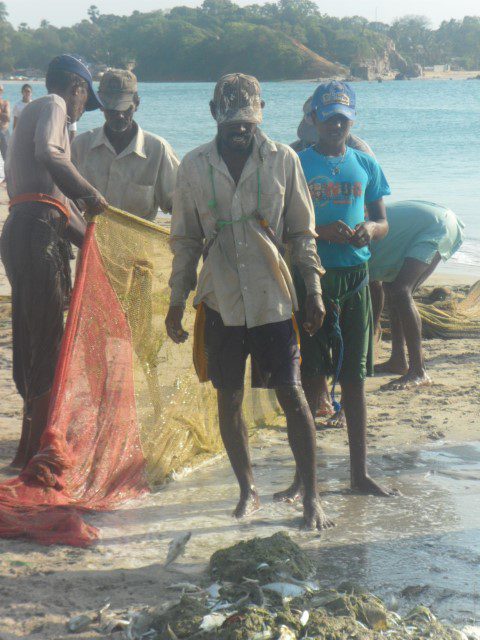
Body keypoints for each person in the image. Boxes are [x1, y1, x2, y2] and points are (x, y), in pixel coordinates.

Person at [166, 73, 332, 530]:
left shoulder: (283, 160)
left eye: (248, 121)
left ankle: (312, 497)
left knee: (292, 395)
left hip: (273, 298)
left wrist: (313, 289)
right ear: (213, 114)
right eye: (231, 122)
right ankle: (248, 490)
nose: (240, 130)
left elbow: (302, 233)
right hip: (220, 299)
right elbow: (184, 240)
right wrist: (176, 301)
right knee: (228, 396)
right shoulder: (194, 167)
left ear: (261, 113)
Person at [282, 81, 396, 499]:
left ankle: (359, 473)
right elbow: (278, 224)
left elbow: (382, 221)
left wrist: (370, 230)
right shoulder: (294, 162)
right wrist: (319, 230)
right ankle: (303, 476)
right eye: (328, 117)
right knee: (310, 375)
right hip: (311, 278)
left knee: (355, 379)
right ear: (313, 119)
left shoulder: (365, 163)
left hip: (355, 281)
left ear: (351, 121)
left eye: (343, 119)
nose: (335, 125)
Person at [1, 54, 107, 468]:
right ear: (76, 88)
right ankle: (38, 451)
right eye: (86, 98)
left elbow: (60, 207)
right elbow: (50, 155)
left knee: (33, 334)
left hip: (24, 227)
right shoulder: (52, 106)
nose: (83, 109)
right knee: (46, 339)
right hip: (36, 231)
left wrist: (99, 243)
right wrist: (92, 195)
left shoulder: (33, 117)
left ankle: (29, 445)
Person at [369, 200, 465, 390]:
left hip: (436, 226)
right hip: (422, 225)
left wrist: (372, 329)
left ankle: (418, 371)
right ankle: (398, 360)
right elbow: (375, 286)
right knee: (392, 288)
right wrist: (374, 325)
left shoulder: (354, 239)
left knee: (401, 290)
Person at [72, 69, 179, 221]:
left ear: (137, 103)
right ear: (101, 105)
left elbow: (179, 204)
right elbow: (65, 201)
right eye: (112, 108)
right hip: (90, 239)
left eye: (125, 108)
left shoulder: (158, 150)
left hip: (139, 243)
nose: (119, 115)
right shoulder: (80, 146)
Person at [0, 85, 10, 167]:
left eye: (0, 90)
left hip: (3, 131)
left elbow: (7, 118)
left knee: (6, 156)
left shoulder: (5, 103)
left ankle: (8, 176)